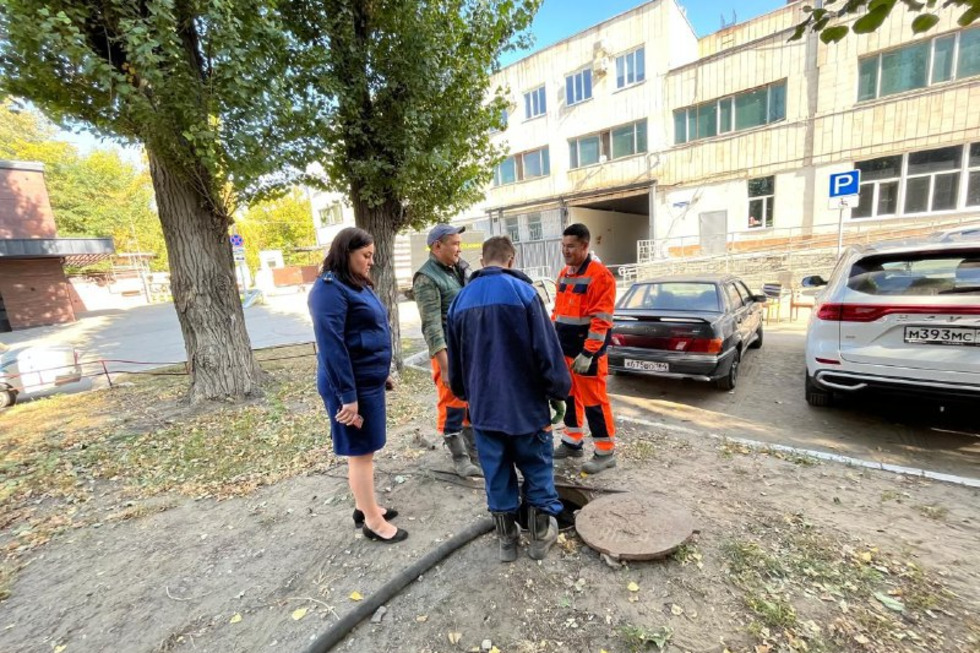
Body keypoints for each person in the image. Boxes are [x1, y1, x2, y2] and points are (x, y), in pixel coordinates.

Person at [446, 236, 572, 562]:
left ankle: (506, 539)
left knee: (496, 471)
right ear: (511, 259)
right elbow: (547, 350)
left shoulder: (460, 301)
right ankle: (540, 536)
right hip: (526, 407)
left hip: (485, 409)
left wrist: (464, 393)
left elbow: (455, 362)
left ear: (483, 259)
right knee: (537, 468)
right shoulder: (525, 294)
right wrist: (558, 391)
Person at [308, 227, 407, 544]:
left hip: (366, 380)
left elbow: (368, 333)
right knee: (361, 452)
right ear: (345, 252)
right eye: (365, 255)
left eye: (372, 255)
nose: (370, 261)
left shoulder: (355, 284)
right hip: (348, 387)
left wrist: (382, 373)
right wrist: (347, 398)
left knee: (365, 449)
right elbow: (332, 347)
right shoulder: (328, 290)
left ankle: (364, 506)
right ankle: (373, 522)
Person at [413, 223, 482, 477]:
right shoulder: (427, 278)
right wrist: (445, 365)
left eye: (459, 243)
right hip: (448, 353)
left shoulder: (459, 269)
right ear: (437, 246)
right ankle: (460, 457)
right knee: (452, 403)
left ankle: (475, 451)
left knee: (470, 402)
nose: (459, 248)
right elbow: (431, 325)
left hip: (468, 350)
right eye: (454, 243)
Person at [552, 223, 618, 474]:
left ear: (584, 246)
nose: (565, 251)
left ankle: (605, 452)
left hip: (587, 355)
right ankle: (572, 441)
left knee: (594, 402)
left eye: (570, 246)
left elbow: (601, 320)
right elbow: (558, 313)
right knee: (570, 397)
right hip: (566, 350)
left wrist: (589, 352)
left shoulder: (600, 276)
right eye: (563, 246)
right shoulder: (564, 274)